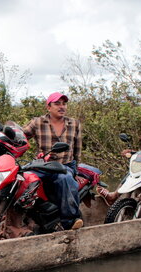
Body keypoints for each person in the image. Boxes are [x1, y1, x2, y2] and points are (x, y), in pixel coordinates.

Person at [21, 92, 84, 230]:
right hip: (43, 165)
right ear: (48, 107)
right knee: (22, 179)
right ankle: (20, 215)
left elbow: (77, 149)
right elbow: (21, 136)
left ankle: (70, 221)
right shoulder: (37, 122)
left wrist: (75, 169)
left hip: (64, 165)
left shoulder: (74, 124)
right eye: (57, 104)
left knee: (65, 178)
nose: (61, 107)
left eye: (64, 103)